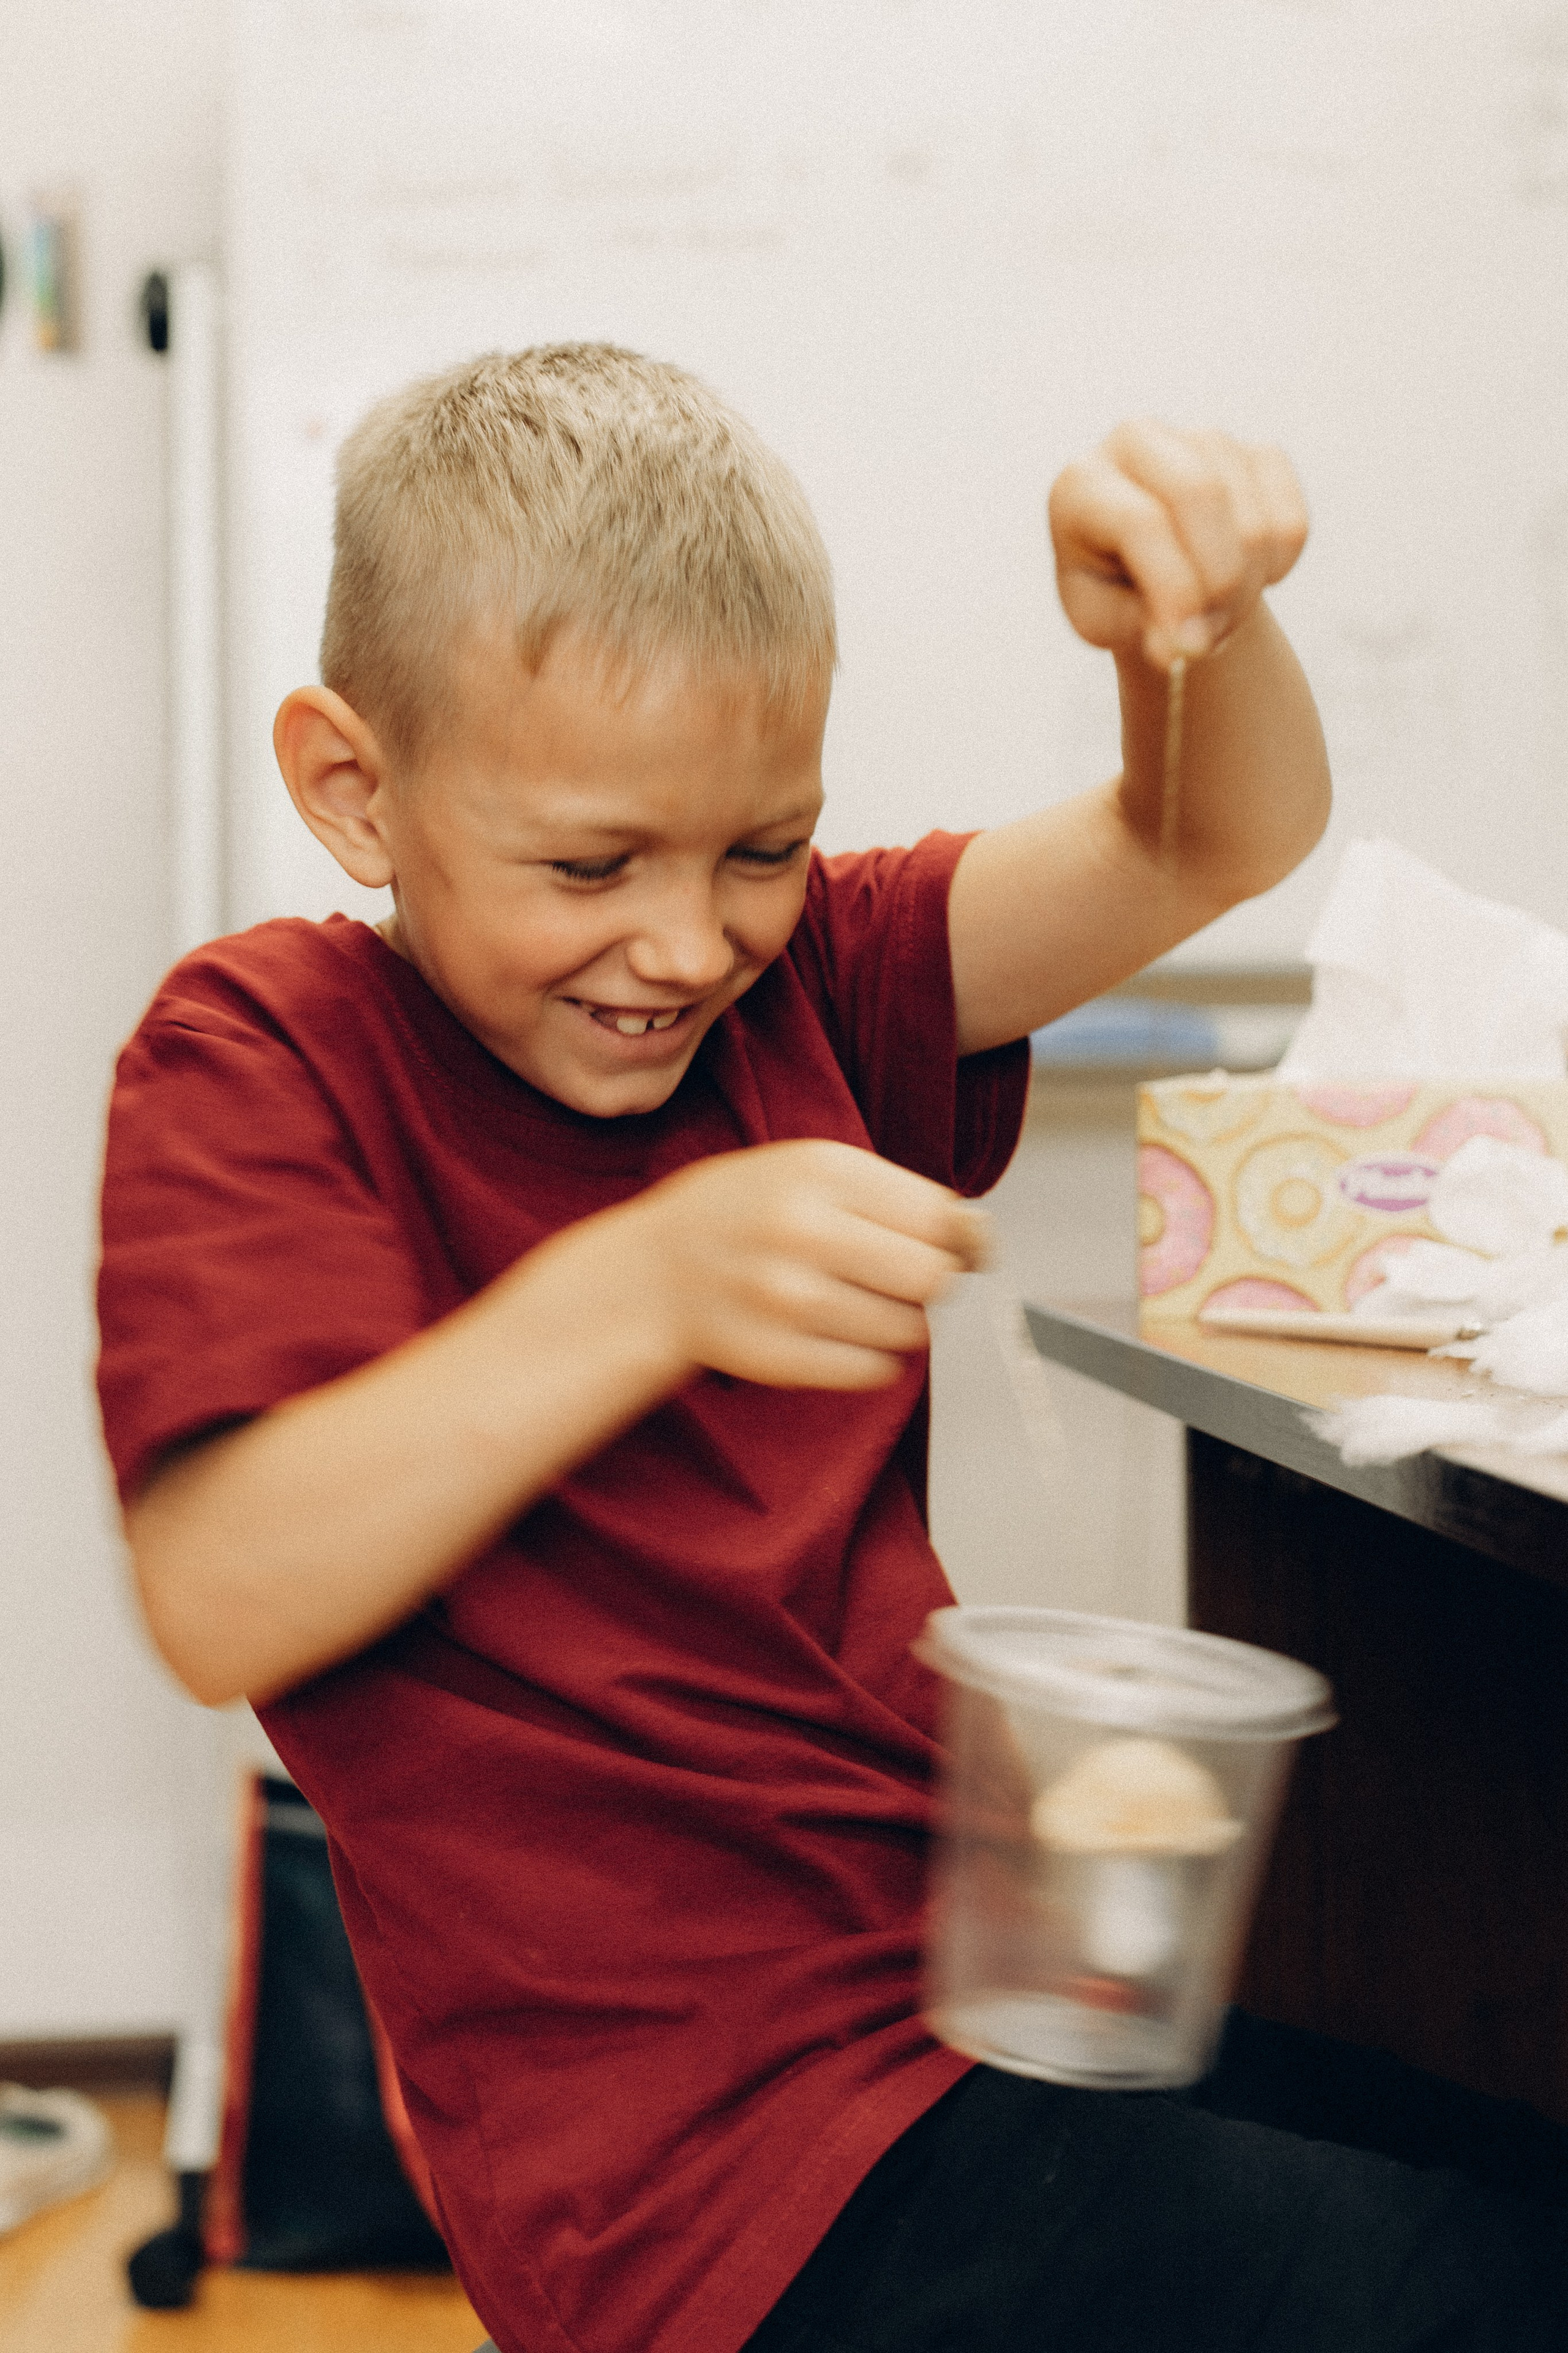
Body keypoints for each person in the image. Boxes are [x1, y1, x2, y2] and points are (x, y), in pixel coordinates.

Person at [96, 346, 1568, 2353]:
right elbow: (214, 1584)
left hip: (977, 2020)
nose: (687, 943)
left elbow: (1208, 839)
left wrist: (1199, 635)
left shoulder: (811, 985)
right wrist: (646, 1286)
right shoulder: (265, 1054)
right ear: (359, 789)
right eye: (590, 865)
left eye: (761, 848)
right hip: (713, 2198)